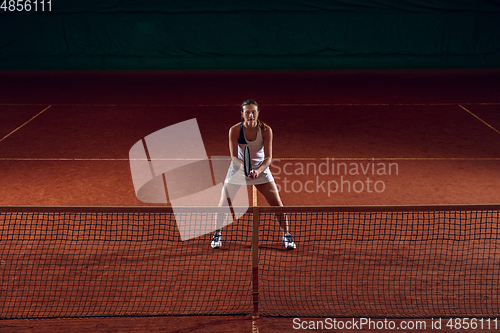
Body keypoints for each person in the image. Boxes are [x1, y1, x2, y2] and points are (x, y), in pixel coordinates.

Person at [211, 99, 296, 250]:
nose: (251, 115)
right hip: (238, 169)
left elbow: (268, 158)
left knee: (277, 204)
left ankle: (287, 236)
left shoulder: (266, 130)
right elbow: (234, 157)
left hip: (260, 170)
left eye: (253, 112)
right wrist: (244, 167)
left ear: (258, 113)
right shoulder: (235, 130)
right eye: (247, 112)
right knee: (224, 203)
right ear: (242, 114)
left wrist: (257, 171)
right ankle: (217, 234)